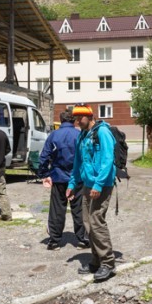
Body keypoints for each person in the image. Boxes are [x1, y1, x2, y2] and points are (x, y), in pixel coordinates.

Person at [66, 105, 117, 283]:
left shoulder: (102, 132)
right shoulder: (82, 135)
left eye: (81, 117)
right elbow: (77, 163)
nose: (78, 121)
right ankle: (96, 259)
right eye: (75, 118)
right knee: (87, 222)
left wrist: (99, 184)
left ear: (90, 116)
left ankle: (108, 263)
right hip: (88, 185)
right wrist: (72, 183)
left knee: (96, 221)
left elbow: (108, 159)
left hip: (101, 185)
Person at [38, 109, 89, 250]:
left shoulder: (53, 135)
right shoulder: (79, 135)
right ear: (74, 120)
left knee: (57, 209)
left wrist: (43, 174)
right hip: (77, 177)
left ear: (60, 120)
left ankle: (54, 241)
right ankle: (82, 239)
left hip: (58, 177)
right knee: (79, 209)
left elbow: (44, 157)